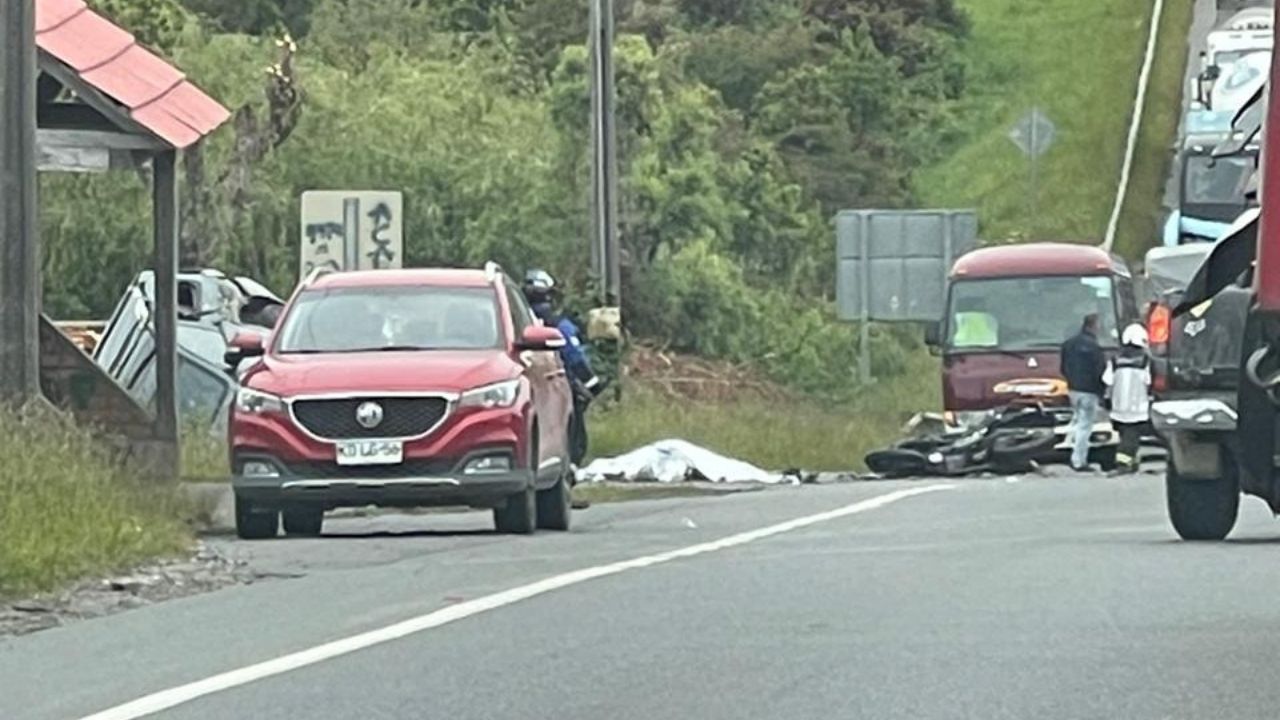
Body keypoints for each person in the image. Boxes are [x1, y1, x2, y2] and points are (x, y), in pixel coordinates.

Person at [522, 269, 605, 468]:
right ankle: (569, 474)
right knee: (572, 435)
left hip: (525, 389)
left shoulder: (515, 321)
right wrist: (593, 385)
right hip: (559, 385)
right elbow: (574, 356)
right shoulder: (558, 325)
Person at [1102, 324, 1152, 475]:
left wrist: (1107, 400)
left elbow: (1107, 381)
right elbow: (1149, 381)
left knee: (1126, 436)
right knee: (1131, 439)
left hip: (1119, 406)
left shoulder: (1115, 360)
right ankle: (1123, 464)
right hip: (1138, 406)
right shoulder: (1145, 360)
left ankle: (1130, 462)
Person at [1060, 313, 1107, 471]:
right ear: (1093, 326)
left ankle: (1071, 452)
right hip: (1089, 391)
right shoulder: (1094, 347)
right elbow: (1099, 370)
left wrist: (1071, 382)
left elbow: (1063, 368)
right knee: (1085, 426)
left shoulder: (1068, 344)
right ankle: (1079, 461)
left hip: (1073, 389)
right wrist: (1101, 392)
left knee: (1077, 422)